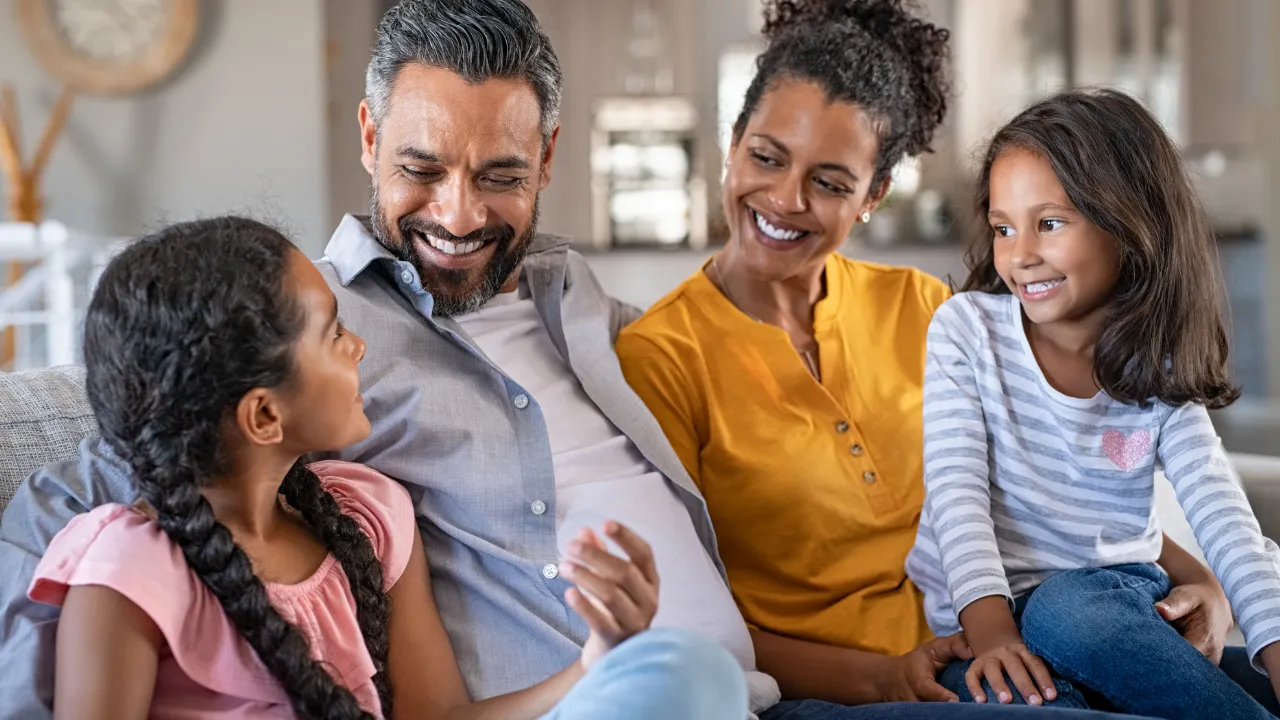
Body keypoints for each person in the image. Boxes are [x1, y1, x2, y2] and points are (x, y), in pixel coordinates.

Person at [0, 1, 773, 717]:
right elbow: (99, 475)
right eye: (423, 170)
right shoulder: (295, 335)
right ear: (370, 139)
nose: (459, 215)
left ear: (547, 158)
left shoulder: (575, 298)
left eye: (500, 175)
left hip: (748, 691)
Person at [616, 1, 1273, 718]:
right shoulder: (660, 357)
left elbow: (1057, 481)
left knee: (1231, 672)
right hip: (851, 691)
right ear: (733, 141)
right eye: (766, 157)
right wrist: (884, 678)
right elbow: (683, 624)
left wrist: (1199, 578)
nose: (785, 198)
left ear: (874, 195)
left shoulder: (922, 307)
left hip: (1016, 641)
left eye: (831, 181)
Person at [29, 216, 743, 719]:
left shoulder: (367, 516)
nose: (360, 350)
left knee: (685, 667)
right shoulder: (129, 570)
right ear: (264, 417)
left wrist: (597, 660)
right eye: (336, 335)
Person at [904, 88, 1280, 720]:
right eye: (1003, 227)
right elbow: (955, 494)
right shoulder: (966, 332)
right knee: (997, 695)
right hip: (990, 625)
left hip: (1108, 606)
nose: (1020, 254)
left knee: (1065, 609)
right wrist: (992, 630)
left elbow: (1227, 523)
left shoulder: (1157, 373)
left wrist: (1269, 637)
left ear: (1130, 225)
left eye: (1050, 223)